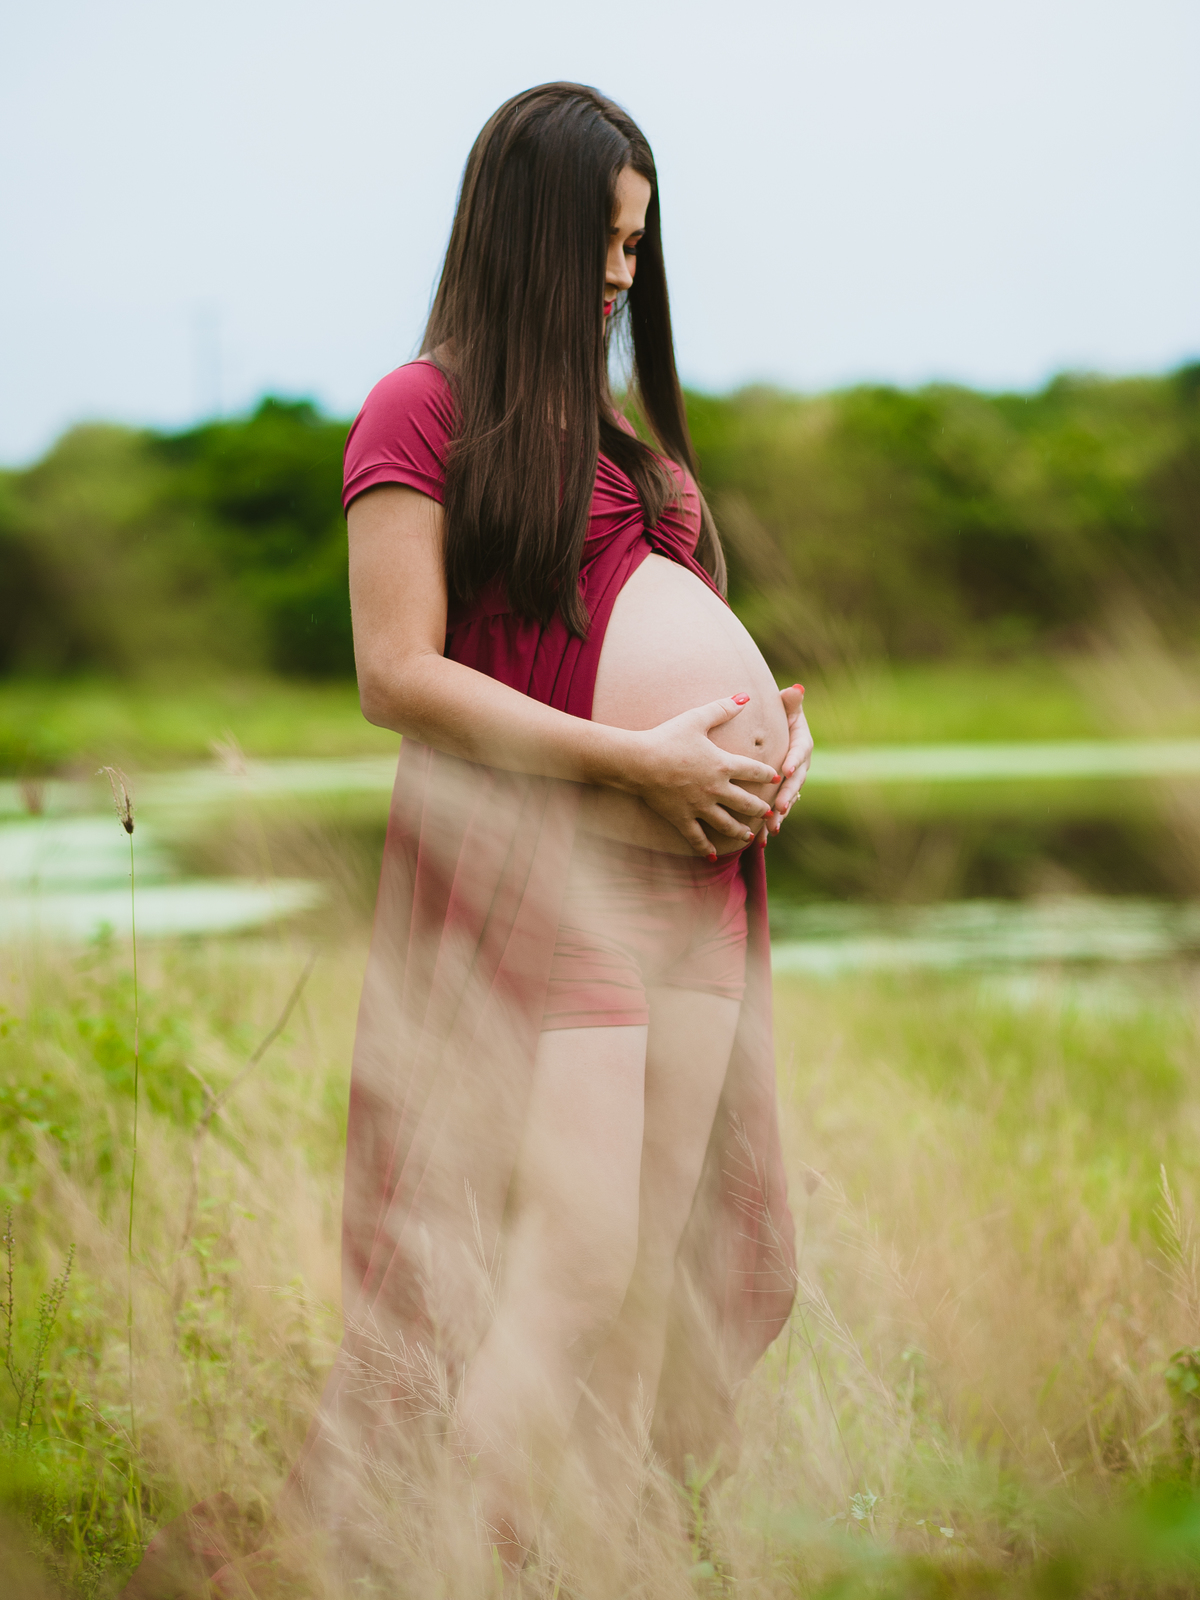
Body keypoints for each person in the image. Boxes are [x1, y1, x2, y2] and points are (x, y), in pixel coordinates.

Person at [131, 82, 812, 1598]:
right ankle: (461, 1565)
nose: (623, 275)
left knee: (649, 1285)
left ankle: (608, 1565)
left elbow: (686, 641)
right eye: (600, 241)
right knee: (570, 1259)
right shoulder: (420, 408)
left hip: (694, 875)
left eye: (638, 246)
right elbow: (399, 675)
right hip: (560, 868)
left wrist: (776, 740)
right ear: (523, 228)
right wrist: (635, 755)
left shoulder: (630, 444)